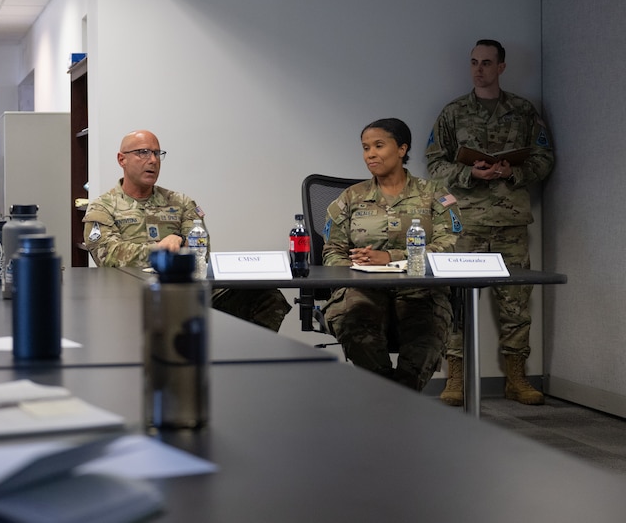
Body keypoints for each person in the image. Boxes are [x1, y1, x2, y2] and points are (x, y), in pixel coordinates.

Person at [426, 39, 555, 407]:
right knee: (455, 302)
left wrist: (512, 171)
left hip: (510, 222)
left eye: (486, 62)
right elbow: (435, 165)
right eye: (473, 62)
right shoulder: (452, 113)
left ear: (501, 67)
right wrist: (471, 173)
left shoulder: (523, 111)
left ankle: (516, 378)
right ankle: (455, 379)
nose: (478, 69)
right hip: (464, 222)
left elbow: (545, 159)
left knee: (516, 303)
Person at [83, 130, 291, 331]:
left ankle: (244, 361)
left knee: (267, 297)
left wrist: (179, 239)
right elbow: (109, 257)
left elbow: (201, 250)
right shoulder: (102, 207)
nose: (153, 160)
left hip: (186, 290)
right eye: (143, 152)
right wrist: (160, 250)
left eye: (157, 153)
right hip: (130, 294)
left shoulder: (180, 202)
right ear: (122, 159)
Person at [323, 118, 462, 391]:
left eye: (378, 145)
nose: (370, 154)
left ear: (401, 149)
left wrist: (393, 259)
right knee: (352, 318)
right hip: (364, 288)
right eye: (365, 148)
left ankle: (397, 398)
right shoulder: (351, 197)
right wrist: (352, 270)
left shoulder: (434, 194)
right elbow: (332, 250)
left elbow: (450, 243)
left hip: (419, 287)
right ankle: (388, 396)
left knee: (428, 330)